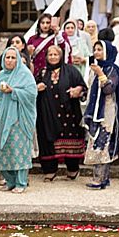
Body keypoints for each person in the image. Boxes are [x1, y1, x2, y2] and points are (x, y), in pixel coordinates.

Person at [0, 45, 39, 193]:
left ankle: (21, 182)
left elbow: (32, 93)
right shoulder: (2, 75)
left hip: (20, 118)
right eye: (7, 57)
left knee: (19, 150)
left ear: (18, 59)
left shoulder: (25, 74)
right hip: (4, 118)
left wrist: (13, 91)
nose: (10, 60)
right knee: (3, 148)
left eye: (13, 57)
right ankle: (10, 181)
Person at [36, 44, 87, 181]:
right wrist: (37, 88)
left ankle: (72, 169)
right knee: (48, 140)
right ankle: (49, 170)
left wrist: (78, 90)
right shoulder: (42, 73)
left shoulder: (71, 71)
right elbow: (31, 90)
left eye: (56, 54)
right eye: (50, 55)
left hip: (69, 114)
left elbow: (83, 88)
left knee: (71, 138)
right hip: (48, 114)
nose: (53, 57)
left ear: (61, 56)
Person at [83, 41, 119, 189]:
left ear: (107, 52)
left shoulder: (112, 69)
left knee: (102, 142)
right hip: (94, 111)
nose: (96, 52)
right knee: (96, 140)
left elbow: (109, 89)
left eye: (99, 50)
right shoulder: (95, 69)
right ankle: (104, 178)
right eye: (95, 49)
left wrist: (101, 74)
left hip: (107, 112)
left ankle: (99, 179)